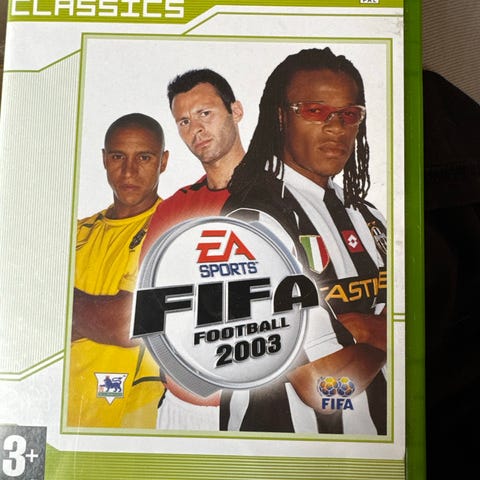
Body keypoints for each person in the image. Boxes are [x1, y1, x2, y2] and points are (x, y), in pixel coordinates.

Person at [220, 47, 387, 434]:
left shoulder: (370, 218)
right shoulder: (254, 220)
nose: (335, 127)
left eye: (349, 114)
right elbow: (323, 389)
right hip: (279, 453)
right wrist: (393, 334)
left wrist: (365, 333)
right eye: (315, 110)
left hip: (375, 452)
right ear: (281, 117)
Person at [139, 68, 246, 430]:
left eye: (205, 113)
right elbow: (150, 310)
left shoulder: (284, 195)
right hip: (182, 407)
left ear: (236, 111)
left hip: (262, 406)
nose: (195, 129)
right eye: (184, 121)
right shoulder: (172, 210)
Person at [68, 113, 169, 428]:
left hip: (133, 414)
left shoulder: (171, 228)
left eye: (144, 157)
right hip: (67, 412)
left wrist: (65, 307)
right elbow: (31, 315)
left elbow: (127, 323)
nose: (129, 171)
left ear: (163, 161)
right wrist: (97, 316)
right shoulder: (74, 233)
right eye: (117, 157)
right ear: (104, 159)